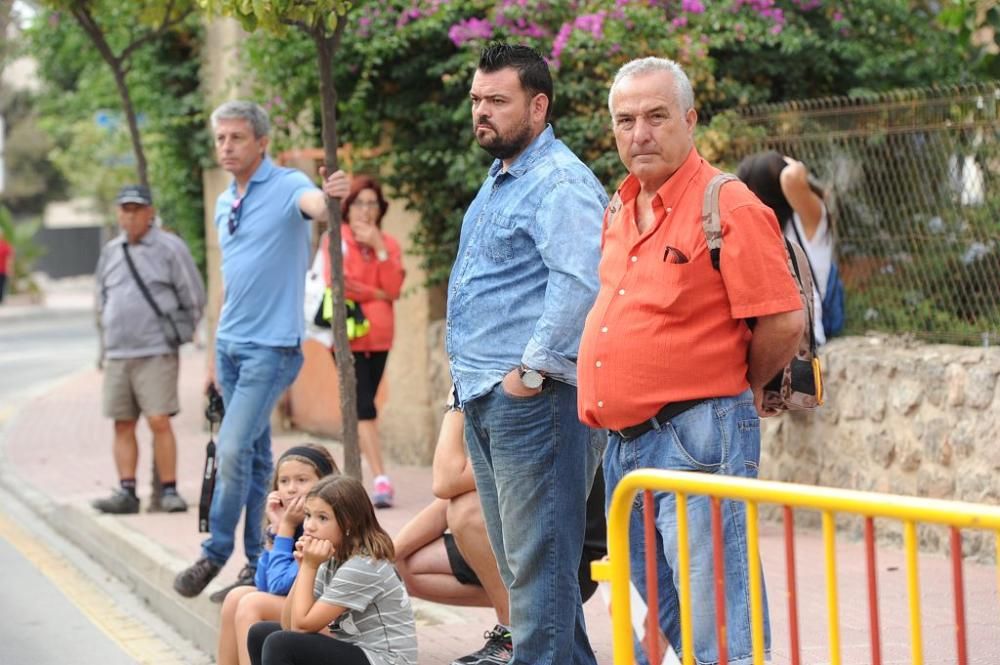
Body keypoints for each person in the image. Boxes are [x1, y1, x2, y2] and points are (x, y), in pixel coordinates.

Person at [577, 57, 805, 665]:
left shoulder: (726, 204)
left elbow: (784, 321)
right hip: (623, 444)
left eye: (656, 116)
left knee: (717, 611)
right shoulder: (620, 208)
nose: (639, 133)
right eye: (625, 120)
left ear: (689, 119)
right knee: (660, 598)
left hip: (695, 435)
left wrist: (737, 383)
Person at [446, 43, 607, 665]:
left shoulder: (559, 181)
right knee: (533, 573)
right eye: (477, 101)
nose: (481, 113)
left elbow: (581, 283)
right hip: (490, 398)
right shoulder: (504, 176)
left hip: (535, 403)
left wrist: (530, 371)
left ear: (538, 106)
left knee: (538, 569)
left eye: (497, 101)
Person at [174, 100, 351, 598]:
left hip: (272, 349)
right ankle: (259, 562)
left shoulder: (288, 186)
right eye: (220, 138)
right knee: (253, 459)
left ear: (261, 142)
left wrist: (331, 195)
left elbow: (316, 205)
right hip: (230, 347)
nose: (226, 146)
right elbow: (228, 282)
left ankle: (213, 554)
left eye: (236, 138)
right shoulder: (223, 200)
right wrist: (212, 354)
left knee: (231, 449)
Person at [394, 404, 609, 665]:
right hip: (514, 544)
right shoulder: (499, 416)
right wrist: (380, 556)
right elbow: (444, 503)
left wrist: (456, 406)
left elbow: (445, 481)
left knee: (466, 511)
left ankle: (514, 634)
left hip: (568, 558)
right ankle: (529, 620)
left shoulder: (529, 416)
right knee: (404, 570)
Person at [92, 184, 206, 514]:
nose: (129, 215)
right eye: (124, 209)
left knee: (159, 420)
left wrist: (180, 332)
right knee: (122, 422)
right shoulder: (111, 251)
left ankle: (169, 490)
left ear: (149, 212)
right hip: (118, 353)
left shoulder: (170, 248)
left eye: (136, 209)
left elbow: (194, 295)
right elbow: (101, 297)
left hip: (156, 351)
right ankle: (127, 491)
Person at [246, 475, 417, 665]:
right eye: (308, 515)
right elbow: (289, 624)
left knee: (279, 643)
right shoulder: (331, 558)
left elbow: (301, 626)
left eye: (322, 518)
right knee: (260, 633)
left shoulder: (363, 565)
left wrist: (309, 567)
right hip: (358, 651)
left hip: (385, 660)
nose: (309, 525)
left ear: (349, 524)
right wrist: (304, 568)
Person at [312, 175, 405, 508]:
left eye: (373, 204)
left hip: (380, 337)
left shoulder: (388, 243)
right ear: (348, 207)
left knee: (365, 406)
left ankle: (357, 471)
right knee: (362, 405)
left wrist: (379, 248)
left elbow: (394, 289)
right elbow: (338, 282)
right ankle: (380, 476)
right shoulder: (335, 239)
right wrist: (376, 292)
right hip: (348, 337)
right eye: (360, 203)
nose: (367, 211)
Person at [216, 444, 338, 665]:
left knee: (252, 604)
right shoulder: (291, 525)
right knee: (237, 596)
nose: (291, 489)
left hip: (331, 620)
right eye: (284, 481)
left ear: (324, 483)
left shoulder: (323, 525)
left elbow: (277, 585)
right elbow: (263, 583)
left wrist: (285, 529)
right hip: (300, 607)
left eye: (302, 480)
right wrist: (275, 532)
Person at [737, 150, 833, 345]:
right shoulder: (755, 231)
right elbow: (790, 176)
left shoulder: (808, 221)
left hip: (800, 347)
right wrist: (788, 164)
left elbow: (791, 178)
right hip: (769, 344)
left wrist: (791, 167)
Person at [0, 226, 13, 303]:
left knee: (2, 285)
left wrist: (10, 269)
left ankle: (1, 300)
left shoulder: (6, 246)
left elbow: (9, 259)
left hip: (3, 270)